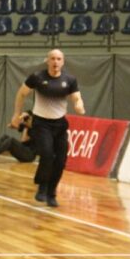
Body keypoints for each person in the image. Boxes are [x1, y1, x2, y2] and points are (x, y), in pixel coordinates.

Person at [11, 49, 86, 208]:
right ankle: (42, 186)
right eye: (52, 58)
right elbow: (21, 94)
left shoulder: (69, 80)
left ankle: (51, 193)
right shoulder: (37, 77)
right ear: (47, 61)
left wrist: (79, 105)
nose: (55, 62)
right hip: (41, 123)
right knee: (46, 154)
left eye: (59, 59)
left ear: (63, 62)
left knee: (60, 160)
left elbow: (76, 97)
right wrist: (16, 114)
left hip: (59, 125)